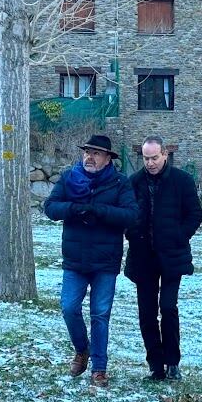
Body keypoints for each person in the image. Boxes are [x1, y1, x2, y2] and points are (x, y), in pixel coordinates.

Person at [43, 134, 139, 388]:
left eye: (96, 153)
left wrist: (100, 210)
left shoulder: (120, 183)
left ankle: (99, 368)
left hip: (105, 261)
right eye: (87, 151)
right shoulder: (70, 178)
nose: (89, 156)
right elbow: (50, 207)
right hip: (75, 258)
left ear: (108, 159)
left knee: (100, 314)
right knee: (68, 307)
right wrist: (73, 209)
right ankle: (82, 349)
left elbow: (131, 215)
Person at [124, 136, 202, 381]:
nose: (150, 163)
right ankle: (155, 365)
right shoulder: (134, 182)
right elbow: (126, 214)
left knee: (168, 308)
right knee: (146, 313)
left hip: (172, 256)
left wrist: (179, 236)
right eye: (146, 158)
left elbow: (194, 215)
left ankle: (172, 362)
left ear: (165, 155)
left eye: (154, 158)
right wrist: (132, 233)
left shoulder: (182, 181)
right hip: (142, 257)